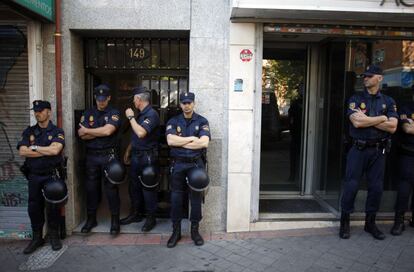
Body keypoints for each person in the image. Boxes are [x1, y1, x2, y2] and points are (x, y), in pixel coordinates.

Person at [339, 65, 398, 240]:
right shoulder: (355, 98)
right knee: (351, 186)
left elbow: (393, 127)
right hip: (358, 149)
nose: (365, 78)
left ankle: (370, 223)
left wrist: (368, 120)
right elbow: (357, 123)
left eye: (369, 76)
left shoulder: (388, 101)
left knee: (376, 188)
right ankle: (345, 222)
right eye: (364, 76)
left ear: (379, 78)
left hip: (378, 150)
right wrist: (381, 118)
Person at [17, 100, 65, 254]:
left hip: (51, 176)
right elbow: (23, 152)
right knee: (34, 208)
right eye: (35, 111)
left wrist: (36, 148)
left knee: (53, 207)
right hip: (34, 176)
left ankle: (54, 236)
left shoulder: (57, 131)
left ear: (49, 112)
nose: (37, 113)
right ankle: (37, 238)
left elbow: (55, 151)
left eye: (41, 110)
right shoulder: (29, 132)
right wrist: (46, 150)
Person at [165, 91, 210, 248]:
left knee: (195, 199)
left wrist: (181, 142)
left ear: (194, 103)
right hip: (177, 164)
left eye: (189, 102)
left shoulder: (202, 121)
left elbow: (204, 143)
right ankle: (176, 231)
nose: (186, 105)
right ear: (180, 104)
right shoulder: (173, 121)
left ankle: (194, 231)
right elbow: (170, 140)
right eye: (184, 103)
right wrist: (191, 139)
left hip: (195, 165)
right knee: (176, 198)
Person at [78, 84, 122, 235]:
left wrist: (89, 131)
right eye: (98, 98)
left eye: (104, 99)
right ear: (95, 97)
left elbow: (109, 130)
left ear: (109, 98)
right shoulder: (88, 112)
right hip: (92, 156)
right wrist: (100, 132)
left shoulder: (114, 112)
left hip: (109, 156)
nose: (101, 102)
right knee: (91, 189)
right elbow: (81, 135)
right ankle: (91, 219)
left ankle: (115, 220)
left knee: (111, 189)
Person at [123, 86, 160, 232]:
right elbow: (135, 136)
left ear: (138, 99)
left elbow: (140, 133)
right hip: (137, 155)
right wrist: (128, 150)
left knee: (148, 189)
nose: (133, 101)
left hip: (148, 157)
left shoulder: (152, 114)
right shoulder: (140, 114)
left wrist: (130, 117)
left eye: (134, 99)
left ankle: (151, 219)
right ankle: (136, 214)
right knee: (134, 188)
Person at [390, 101, 414, 235]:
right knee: (404, 190)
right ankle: (399, 222)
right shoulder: (406, 107)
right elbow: (407, 129)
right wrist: (410, 125)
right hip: (408, 155)